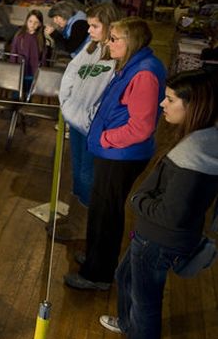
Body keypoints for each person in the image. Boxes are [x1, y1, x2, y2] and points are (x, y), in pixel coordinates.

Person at [99, 69, 218, 339]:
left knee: (146, 305)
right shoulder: (206, 140)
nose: (163, 105)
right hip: (158, 236)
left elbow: (170, 213)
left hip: (157, 240)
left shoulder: (193, 155)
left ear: (194, 106)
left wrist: (137, 201)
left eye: (170, 99)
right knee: (124, 276)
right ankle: (127, 324)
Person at [64, 17, 166, 291]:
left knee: (107, 214)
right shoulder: (134, 65)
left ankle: (98, 275)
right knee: (101, 210)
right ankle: (97, 258)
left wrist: (105, 138)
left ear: (129, 41)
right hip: (115, 153)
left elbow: (141, 128)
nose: (108, 43)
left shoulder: (144, 73)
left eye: (114, 39)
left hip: (122, 154)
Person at [54, 3, 122, 241]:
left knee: (87, 174)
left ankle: (82, 227)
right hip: (76, 118)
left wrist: (87, 114)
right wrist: (68, 104)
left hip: (92, 126)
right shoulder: (91, 47)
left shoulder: (115, 55)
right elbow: (72, 73)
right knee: (76, 170)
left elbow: (102, 92)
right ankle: (75, 216)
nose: (89, 30)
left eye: (95, 26)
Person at [9, 9, 46, 84]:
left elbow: (43, 56)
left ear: (40, 24)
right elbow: (13, 53)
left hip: (34, 72)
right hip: (20, 71)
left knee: (29, 93)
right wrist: (13, 69)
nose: (32, 24)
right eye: (30, 21)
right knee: (17, 93)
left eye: (36, 22)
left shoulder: (41, 38)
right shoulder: (19, 36)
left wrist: (42, 70)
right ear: (26, 21)